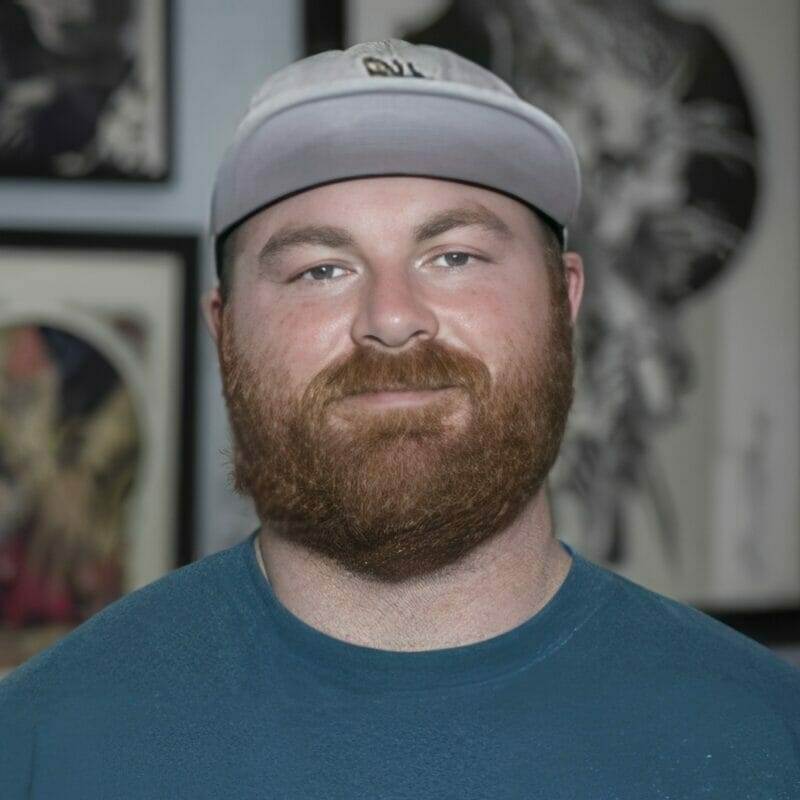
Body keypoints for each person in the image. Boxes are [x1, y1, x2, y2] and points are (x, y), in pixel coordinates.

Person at [1, 38, 798, 799]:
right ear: (225, 329)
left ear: (566, 301)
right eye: (322, 268)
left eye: (454, 256)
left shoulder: (770, 740)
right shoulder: (36, 748)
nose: (390, 318)